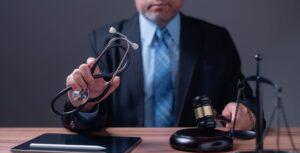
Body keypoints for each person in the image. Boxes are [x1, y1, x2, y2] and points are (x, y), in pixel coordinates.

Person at [62, 0, 256, 132]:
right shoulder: (105, 41)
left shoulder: (216, 39)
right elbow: (79, 124)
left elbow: (246, 102)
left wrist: (247, 115)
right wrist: (87, 103)